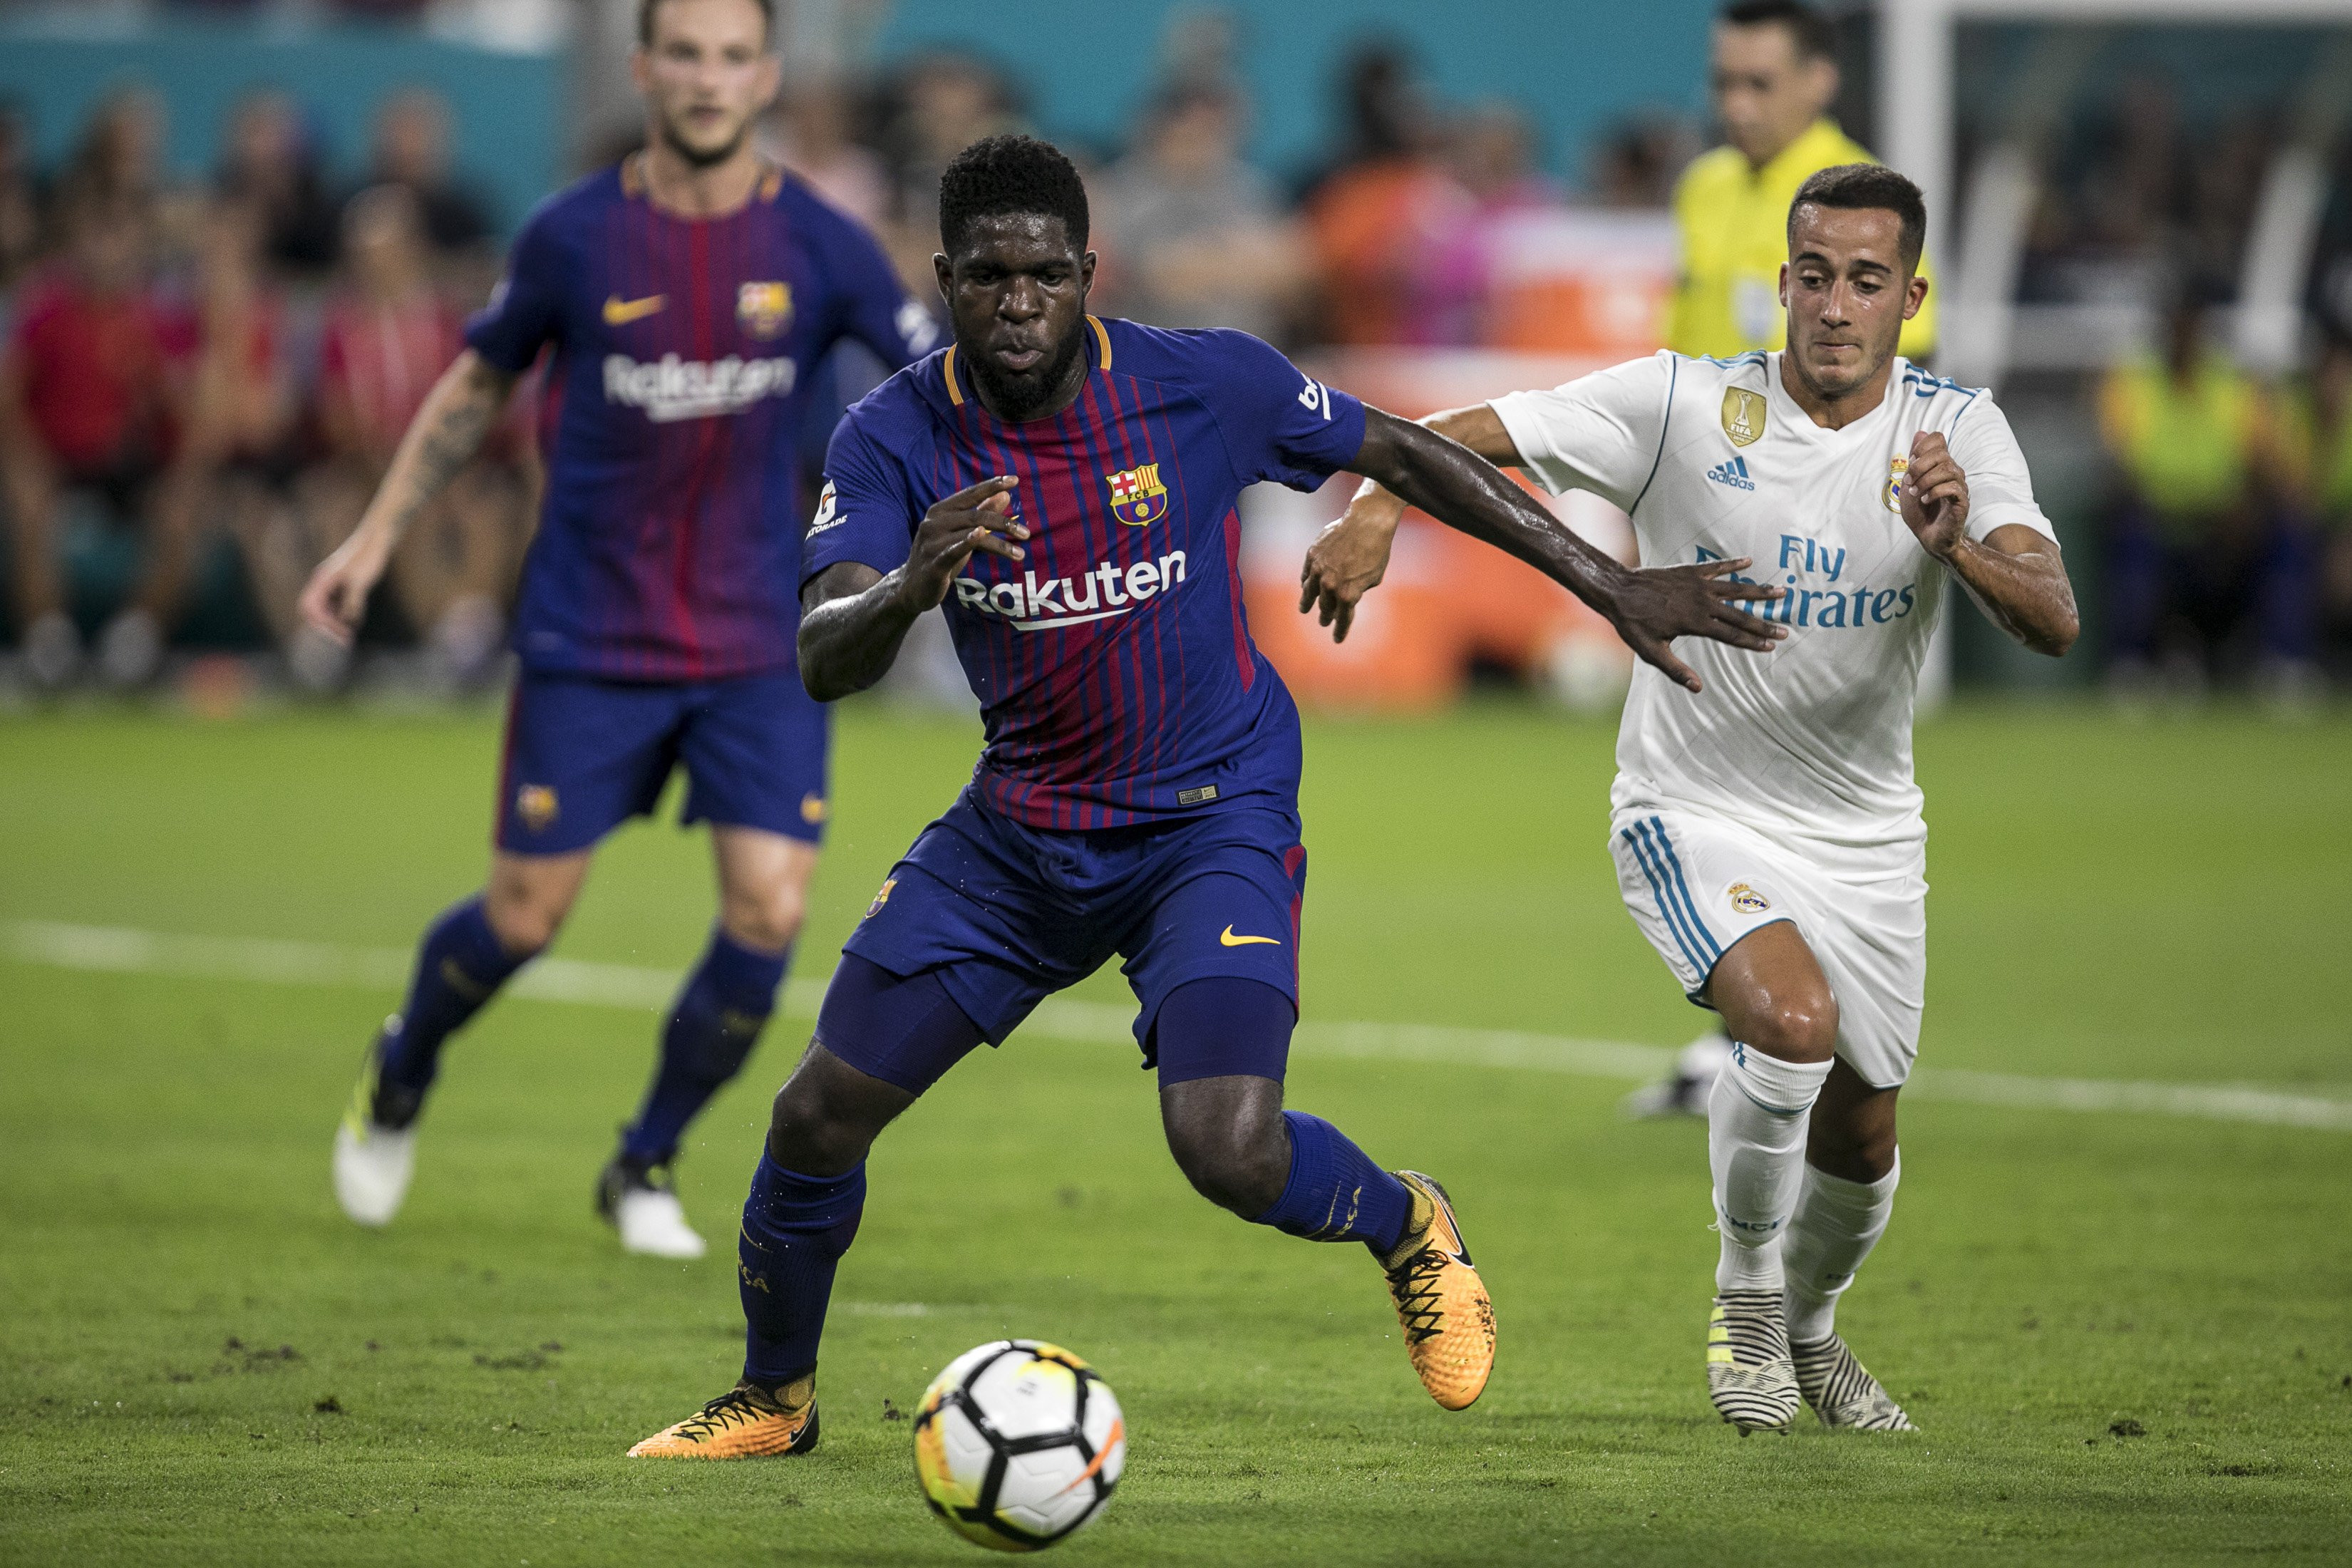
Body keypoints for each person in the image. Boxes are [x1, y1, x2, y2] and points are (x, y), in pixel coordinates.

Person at [625, 133, 1784, 1458]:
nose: (1019, 303)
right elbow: (825, 656)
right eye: (990, 276)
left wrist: (1609, 581)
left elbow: (1404, 454)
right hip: (1020, 835)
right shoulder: (889, 435)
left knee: (1227, 1147)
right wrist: (907, 585)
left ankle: (1411, 1222)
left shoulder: (1202, 384)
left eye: (1046, 276)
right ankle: (776, 1401)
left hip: (1211, 816)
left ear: (1088, 274)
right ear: (944, 277)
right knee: (817, 1114)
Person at [1304, 165, 2078, 1433]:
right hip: (1692, 806)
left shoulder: (1956, 436)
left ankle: (1814, 1327)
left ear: (1912, 296)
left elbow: (2054, 622)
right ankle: (1745, 1304)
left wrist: (1958, 548)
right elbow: (1473, 430)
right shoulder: (1683, 403)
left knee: (1868, 1133)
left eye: (1868, 281)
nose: (1836, 305)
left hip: (1869, 834)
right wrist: (1382, 501)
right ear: (1782, 282)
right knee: (1789, 1021)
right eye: (1815, 275)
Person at [307, 0, 936, 1257]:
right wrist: (375, 537)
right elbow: (477, 383)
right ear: (646, 69)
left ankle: (643, 1161)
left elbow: (938, 378)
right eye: (684, 54)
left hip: (757, 638)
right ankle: (404, 1062)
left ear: (767, 75)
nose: (708, 78)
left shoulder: (822, 241)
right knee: (527, 916)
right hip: (594, 631)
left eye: (732, 55)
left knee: (768, 909)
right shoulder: (575, 235)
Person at [1, 187, 201, 690]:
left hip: (126, 467)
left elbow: (176, 414)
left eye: (120, 237)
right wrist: (26, 464)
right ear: (77, 243)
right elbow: (8, 400)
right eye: (98, 236)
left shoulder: (154, 318)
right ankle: (50, 647)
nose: (108, 248)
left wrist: (161, 395)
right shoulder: (44, 310)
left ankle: (132, 645)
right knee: (28, 501)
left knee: (184, 509)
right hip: (57, 462)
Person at [1669, 0, 1936, 362]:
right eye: (1725, 83)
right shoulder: (1702, 186)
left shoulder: (1869, 198)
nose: (1737, 106)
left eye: (1759, 84)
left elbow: (1911, 352)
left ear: (1819, 81)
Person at [2099, 292, 2309, 693]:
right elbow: (2119, 469)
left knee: (2286, 535)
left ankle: (2285, 662)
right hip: (2160, 524)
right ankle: (2131, 666)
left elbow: (2267, 466)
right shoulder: (2133, 380)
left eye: (2192, 323)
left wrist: (2244, 506)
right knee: (2133, 538)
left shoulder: (2232, 383)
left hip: (2223, 527)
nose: (2184, 334)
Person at [1095, 81, 1304, 342]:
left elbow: (1296, 273)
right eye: (1192, 125)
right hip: (1154, 354)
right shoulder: (1123, 192)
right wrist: (1238, 261)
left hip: (1248, 353)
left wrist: (1206, 264)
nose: (1204, 139)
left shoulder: (1253, 190)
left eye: (1215, 129)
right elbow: (1158, 277)